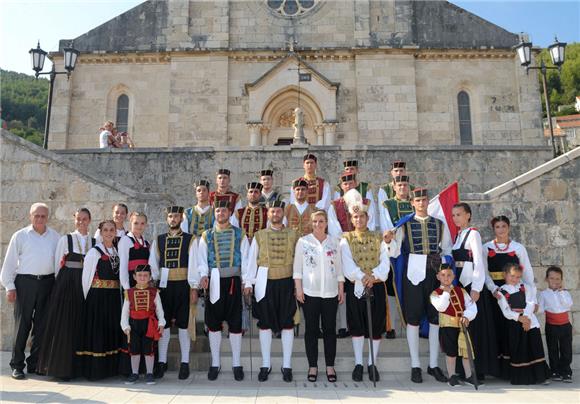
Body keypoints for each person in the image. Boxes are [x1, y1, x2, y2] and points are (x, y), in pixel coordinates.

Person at [385, 188, 451, 384]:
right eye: (418, 200)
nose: (421, 203)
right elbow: (395, 251)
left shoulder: (440, 224)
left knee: (435, 318)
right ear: (412, 203)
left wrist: (444, 270)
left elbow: (446, 249)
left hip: (434, 272)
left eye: (424, 200)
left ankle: (433, 365)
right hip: (413, 272)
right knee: (412, 319)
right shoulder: (404, 225)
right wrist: (388, 241)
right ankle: (415, 365)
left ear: (428, 201)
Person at [340, 189, 397, 383]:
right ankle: (358, 363)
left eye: (362, 216)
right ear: (351, 218)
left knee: (376, 324)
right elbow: (347, 263)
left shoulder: (378, 237)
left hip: (377, 285)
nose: (359, 220)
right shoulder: (345, 239)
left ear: (367, 217)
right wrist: (361, 277)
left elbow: (385, 260)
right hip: (356, 286)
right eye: (355, 217)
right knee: (356, 324)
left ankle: (372, 362)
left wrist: (374, 277)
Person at [1, 203, 60, 380]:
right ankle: (17, 365)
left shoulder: (55, 237)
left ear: (47, 217)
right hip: (25, 283)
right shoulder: (20, 236)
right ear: (30, 216)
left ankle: (35, 363)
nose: (40, 219)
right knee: (22, 325)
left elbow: (58, 263)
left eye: (43, 216)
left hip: (48, 283)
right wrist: (9, 286)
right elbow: (9, 263)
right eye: (37, 215)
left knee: (42, 326)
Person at [38, 208, 94, 380]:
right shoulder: (66, 239)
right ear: (74, 219)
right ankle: (63, 369)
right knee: (66, 325)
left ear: (90, 220)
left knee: (82, 323)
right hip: (67, 284)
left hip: (86, 284)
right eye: (78, 219)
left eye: (85, 219)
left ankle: (80, 368)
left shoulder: (94, 241)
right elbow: (57, 266)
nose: (81, 222)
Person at [246, 200, 299, 382]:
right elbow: (252, 260)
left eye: (278, 211)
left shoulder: (294, 235)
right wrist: (248, 282)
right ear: (267, 214)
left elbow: (299, 262)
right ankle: (265, 364)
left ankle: (287, 365)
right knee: (265, 323)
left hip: (287, 282)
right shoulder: (259, 235)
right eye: (272, 211)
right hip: (264, 282)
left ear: (283, 213)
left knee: (287, 322)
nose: (275, 214)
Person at [197, 200, 249, 381]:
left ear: (229, 212)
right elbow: (202, 259)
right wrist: (203, 275)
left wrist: (247, 281)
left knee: (235, 323)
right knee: (213, 323)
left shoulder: (240, 233)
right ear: (214, 212)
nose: (221, 213)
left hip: (234, 280)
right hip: (214, 281)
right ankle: (215, 363)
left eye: (224, 210)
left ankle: (236, 363)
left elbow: (247, 258)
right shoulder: (206, 235)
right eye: (218, 211)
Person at [482, 214, 536, 378]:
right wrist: (494, 290)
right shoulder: (486, 247)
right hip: (495, 294)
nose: (500, 230)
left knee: (513, 328)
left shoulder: (518, 248)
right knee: (496, 327)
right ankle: (497, 369)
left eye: (503, 226)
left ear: (509, 228)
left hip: (515, 294)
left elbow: (527, 273)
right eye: (497, 227)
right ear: (493, 229)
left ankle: (514, 369)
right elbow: (484, 272)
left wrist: (532, 296)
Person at [294, 209, 344, 382]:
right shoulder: (303, 242)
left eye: (321, 221)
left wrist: (341, 288)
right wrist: (298, 289)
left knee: (330, 330)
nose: (318, 224)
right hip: (309, 292)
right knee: (312, 330)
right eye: (315, 221)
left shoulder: (334, 242)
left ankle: (330, 366)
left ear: (326, 223)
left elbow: (339, 268)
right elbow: (297, 269)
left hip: (330, 292)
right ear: (311, 223)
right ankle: (313, 366)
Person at [451, 202, 499, 382]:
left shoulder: (474, 234)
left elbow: (479, 262)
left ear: (468, 215)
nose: (456, 218)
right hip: (461, 286)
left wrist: (477, 288)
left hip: (471, 286)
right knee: (464, 328)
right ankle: (465, 370)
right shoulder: (457, 236)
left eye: (459, 214)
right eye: (454, 215)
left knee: (475, 329)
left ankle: (476, 370)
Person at [148, 206, 198, 380]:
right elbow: (153, 264)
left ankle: (185, 363)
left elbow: (194, 263)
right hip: (164, 287)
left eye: (176, 216)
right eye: (170, 216)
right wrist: (153, 283)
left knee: (184, 325)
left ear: (181, 219)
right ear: (167, 219)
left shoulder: (190, 239)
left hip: (183, 285)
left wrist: (194, 287)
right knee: (164, 324)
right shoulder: (159, 239)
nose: (173, 219)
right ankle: (161, 362)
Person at [328, 176, 374, 339]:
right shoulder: (335, 205)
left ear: (356, 184)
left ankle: (366, 322)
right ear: (341, 186)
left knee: (366, 284)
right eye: (345, 183)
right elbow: (333, 228)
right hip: (343, 249)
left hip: (366, 250)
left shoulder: (367, 202)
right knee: (343, 286)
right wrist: (347, 241)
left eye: (351, 183)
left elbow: (372, 222)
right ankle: (343, 326)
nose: (348, 186)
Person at [76, 220, 123, 380]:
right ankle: (96, 371)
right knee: (98, 332)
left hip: (113, 298)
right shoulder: (94, 252)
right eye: (105, 230)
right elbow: (86, 278)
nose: (109, 233)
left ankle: (110, 369)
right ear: (101, 233)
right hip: (97, 298)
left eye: (111, 230)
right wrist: (87, 300)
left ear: (115, 232)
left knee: (110, 331)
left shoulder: (116, 252)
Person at [497, 263, 550, 385]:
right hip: (515, 323)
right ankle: (523, 377)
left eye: (518, 277)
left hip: (530, 319)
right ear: (505, 275)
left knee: (534, 347)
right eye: (512, 276)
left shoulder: (526, 287)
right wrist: (519, 318)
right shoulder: (501, 292)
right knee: (520, 349)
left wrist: (526, 317)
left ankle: (539, 376)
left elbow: (531, 302)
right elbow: (506, 311)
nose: (515, 279)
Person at [377, 174, 413, 339]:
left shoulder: (415, 204)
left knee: (409, 288)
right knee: (391, 289)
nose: (402, 188)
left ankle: (410, 324)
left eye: (405, 185)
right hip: (394, 253)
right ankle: (392, 326)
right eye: (399, 185)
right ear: (393, 186)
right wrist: (394, 246)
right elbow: (387, 227)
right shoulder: (388, 205)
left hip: (412, 253)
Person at [430, 263, 478, 387]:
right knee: (451, 353)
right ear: (438, 277)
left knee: (466, 351)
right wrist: (446, 293)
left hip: (462, 326)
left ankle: (469, 376)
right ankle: (452, 376)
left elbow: (471, 306)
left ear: (453, 276)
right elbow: (441, 307)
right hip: (447, 326)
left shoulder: (460, 290)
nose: (446, 278)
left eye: (449, 275)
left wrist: (467, 316)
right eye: (443, 275)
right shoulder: (435, 293)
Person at [121, 265, 165, 385]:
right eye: (139, 275)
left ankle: (149, 373)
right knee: (134, 349)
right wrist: (125, 326)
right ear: (134, 277)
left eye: (145, 275)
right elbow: (125, 312)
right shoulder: (129, 293)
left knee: (149, 349)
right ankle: (134, 373)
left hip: (148, 325)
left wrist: (161, 322)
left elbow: (159, 310)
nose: (142, 278)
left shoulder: (154, 292)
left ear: (150, 277)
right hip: (133, 324)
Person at [538, 266, 573, 383]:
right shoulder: (543, 294)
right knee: (552, 349)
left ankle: (566, 371)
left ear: (561, 280)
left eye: (558, 279)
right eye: (552, 278)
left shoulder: (565, 293)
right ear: (547, 279)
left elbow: (568, 305)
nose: (555, 281)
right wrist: (534, 307)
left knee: (566, 350)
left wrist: (561, 292)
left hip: (565, 326)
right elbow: (541, 309)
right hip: (551, 326)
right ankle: (555, 371)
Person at [119, 212, 150, 290]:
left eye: (142, 223)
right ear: (131, 223)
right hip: (131, 284)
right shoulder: (125, 240)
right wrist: (126, 288)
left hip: (145, 284)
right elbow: (123, 265)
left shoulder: (146, 243)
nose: (139, 226)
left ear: (146, 225)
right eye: (136, 223)